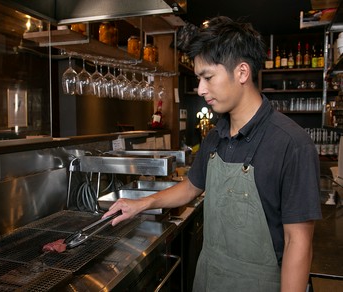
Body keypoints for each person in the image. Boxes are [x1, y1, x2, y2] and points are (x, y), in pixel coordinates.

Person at [103, 16, 322, 291]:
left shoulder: (291, 144)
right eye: (198, 79)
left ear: (242, 73)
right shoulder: (216, 136)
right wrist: (141, 204)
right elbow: (191, 187)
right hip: (210, 280)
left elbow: (298, 243)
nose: (201, 89)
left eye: (208, 77)